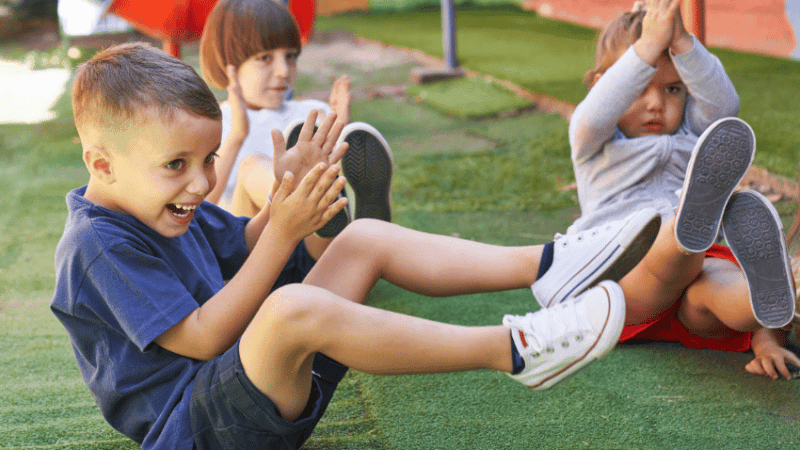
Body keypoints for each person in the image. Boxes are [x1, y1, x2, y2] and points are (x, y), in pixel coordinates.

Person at [51, 43, 662, 450]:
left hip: (256, 386)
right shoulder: (98, 246)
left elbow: (241, 245)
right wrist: (286, 230)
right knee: (289, 308)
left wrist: (282, 198)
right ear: (100, 164)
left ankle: (550, 265)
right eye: (176, 165)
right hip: (202, 425)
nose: (203, 181)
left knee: (363, 238)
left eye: (209, 159)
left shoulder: (163, 207)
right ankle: (516, 349)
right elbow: (203, 336)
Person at [564, 0, 799, 380]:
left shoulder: (694, 136)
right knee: (671, 252)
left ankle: (767, 298)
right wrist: (648, 44)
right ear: (602, 86)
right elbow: (591, 115)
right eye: (639, 87)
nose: (656, 104)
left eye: (673, 89)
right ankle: (685, 229)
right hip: (627, 274)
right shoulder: (597, 143)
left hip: (694, 285)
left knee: (719, 285)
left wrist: (682, 41)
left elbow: (726, 105)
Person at [198, 0, 392, 253]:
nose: (283, 71)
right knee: (251, 167)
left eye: (290, 56)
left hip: (310, 253)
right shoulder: (215, 124)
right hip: (248, 256)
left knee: (320, 164)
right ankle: (314, 197)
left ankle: (352, 215)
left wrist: (339, 131)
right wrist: (237, 136)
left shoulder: (310, 114)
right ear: (228, 65)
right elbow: (198, 210)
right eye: (265, 58)